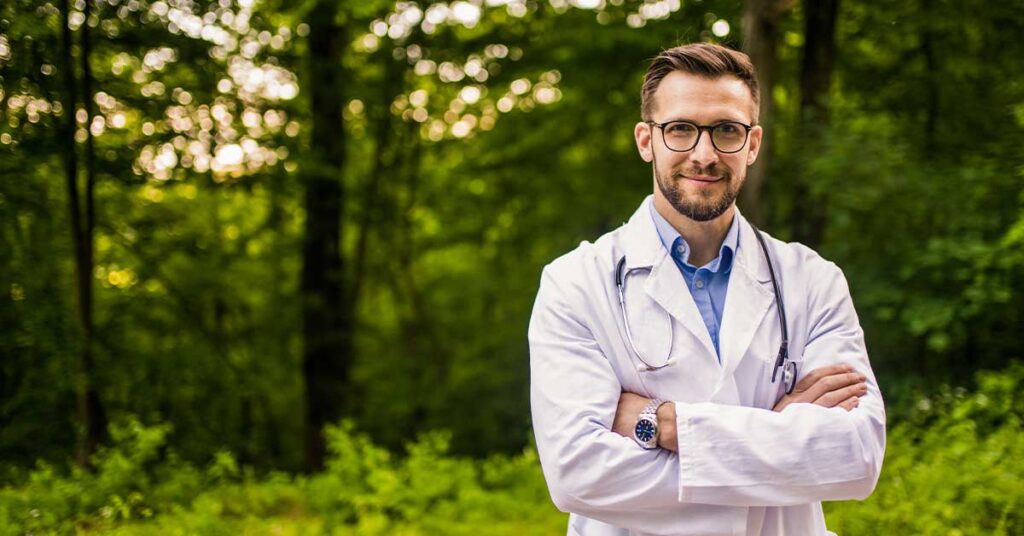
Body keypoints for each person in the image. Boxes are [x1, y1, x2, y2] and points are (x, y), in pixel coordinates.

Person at [528, 43, 886, 536]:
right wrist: (778, 439)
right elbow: (577, 475)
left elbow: (856, 456)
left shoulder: (813, 280)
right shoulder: (574, 283)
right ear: (645, 140)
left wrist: (661, 423)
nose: (704, 154)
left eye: (726, 131)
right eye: (680, 129)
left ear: (753, 143)